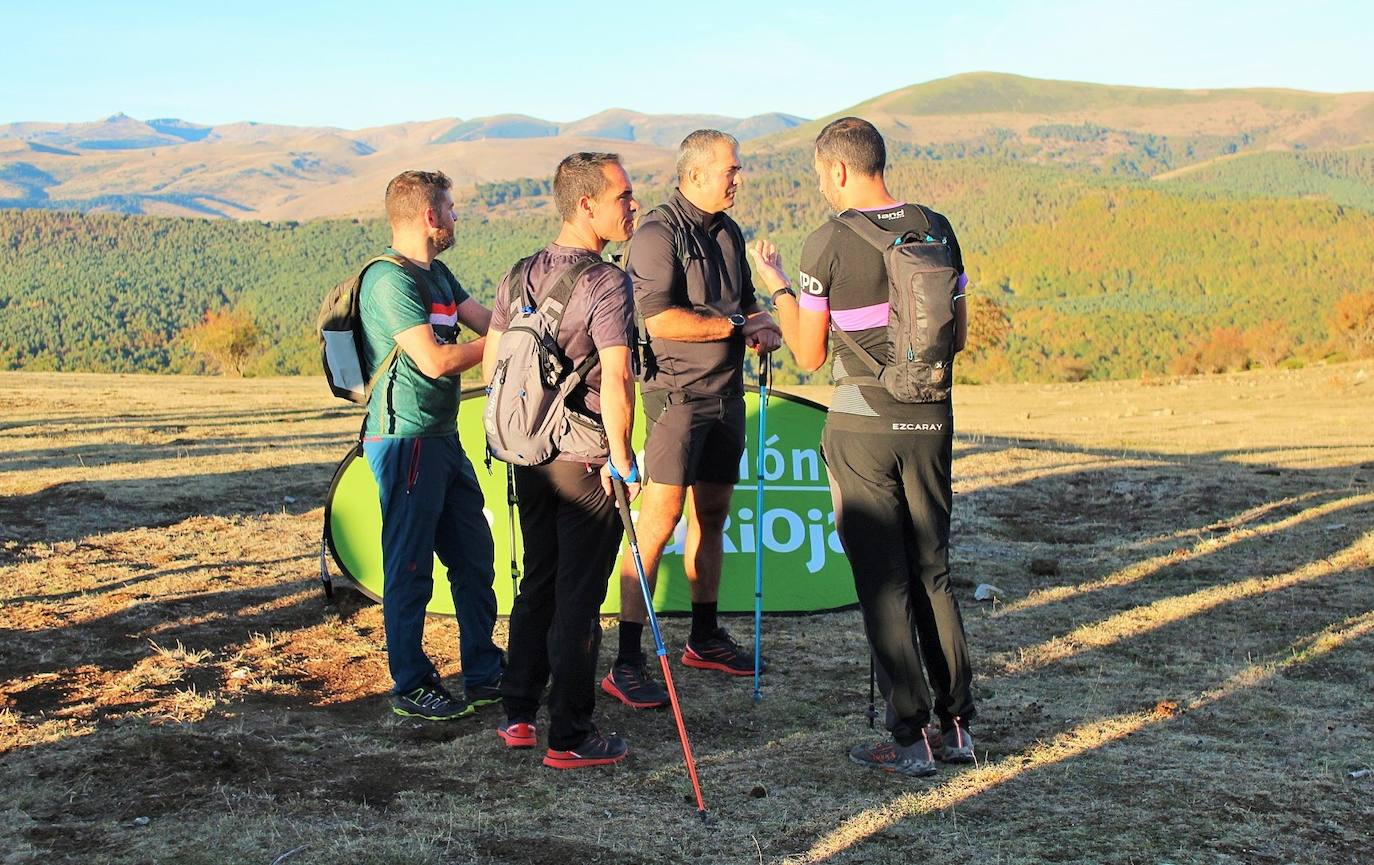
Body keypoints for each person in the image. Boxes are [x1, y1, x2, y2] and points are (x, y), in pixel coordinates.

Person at [753, 117, 977, 776]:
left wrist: (776, 285)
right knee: (933, 570)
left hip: (862, 425)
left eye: (821, 173)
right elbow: (957, 333)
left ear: (841, 170)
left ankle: (907, 739)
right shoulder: (936, 227)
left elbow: (808, 350)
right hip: (931, 418)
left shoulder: (826, 243)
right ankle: (957, 724)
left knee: (884, 583)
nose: (821, 185)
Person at [601, 129, 782, 710]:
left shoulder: (728, 232)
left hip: (728, 395)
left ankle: (703, 638)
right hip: (678, 397)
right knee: (659, 520)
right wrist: (735, 328)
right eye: (731, 169)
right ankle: (627, 661)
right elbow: (657, 321)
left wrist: (762, 324)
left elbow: (746, 301)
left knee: (713, 514)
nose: (739, 178)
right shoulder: (657, 233)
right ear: (696, 174)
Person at [482, 153, 641, 768]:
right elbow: (620, 377)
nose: (632, 205)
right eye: (623, 196)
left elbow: (497, 361)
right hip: (585, 458)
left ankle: (518, 712)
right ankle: (572, 736)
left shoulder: (518, 274)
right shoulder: (606, 282)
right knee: (579, 594)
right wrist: (623, 461)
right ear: (586, 206)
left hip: (529, 452)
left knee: (540, 581)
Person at [359, 169, 504, 721]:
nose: (455, 216)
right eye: (450, 207)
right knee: (411, 566)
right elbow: (435, 360)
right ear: (428, 216)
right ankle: (411, 682)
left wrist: (530, 324)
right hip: (405, 441)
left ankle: (485, 672)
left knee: (473, 556)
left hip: (441, 437)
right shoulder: (389, 282)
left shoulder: (438, 273)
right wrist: (499, 351)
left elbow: (488, 322)